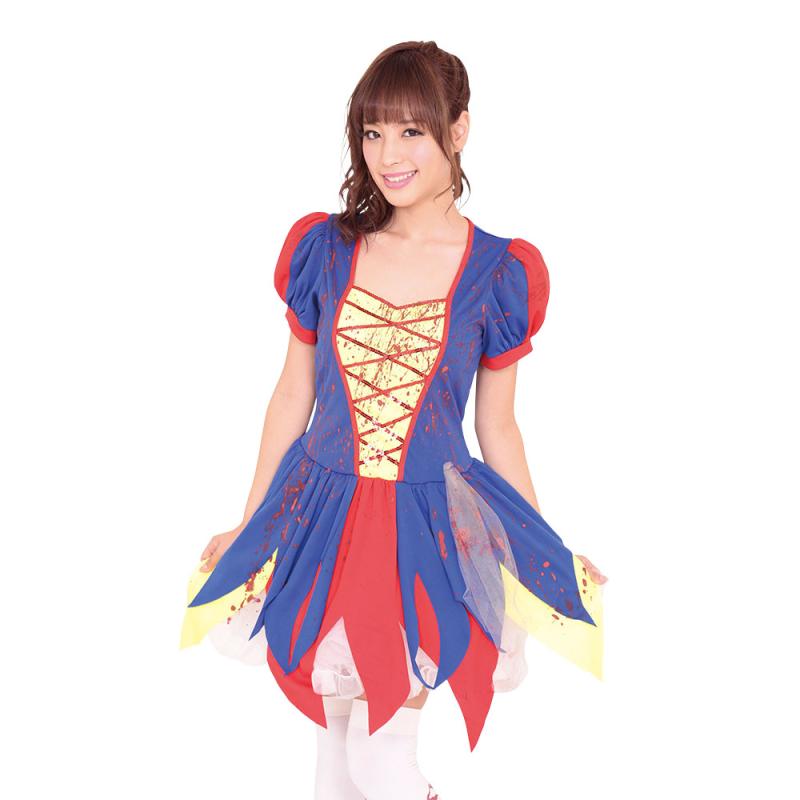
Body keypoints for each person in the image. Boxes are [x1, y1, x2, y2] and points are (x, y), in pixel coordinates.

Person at [179, 40, 608, 800]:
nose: (388, 155)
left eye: (412, 130)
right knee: (334, 766)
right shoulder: (326, 248)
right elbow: (292, 395)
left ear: (459, 129)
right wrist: (251, 522)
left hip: (425, 527)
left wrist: (541, 549)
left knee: (382, 759)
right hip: (321, 517)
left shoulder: (499, 271)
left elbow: (499, 426)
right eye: (373, 132)